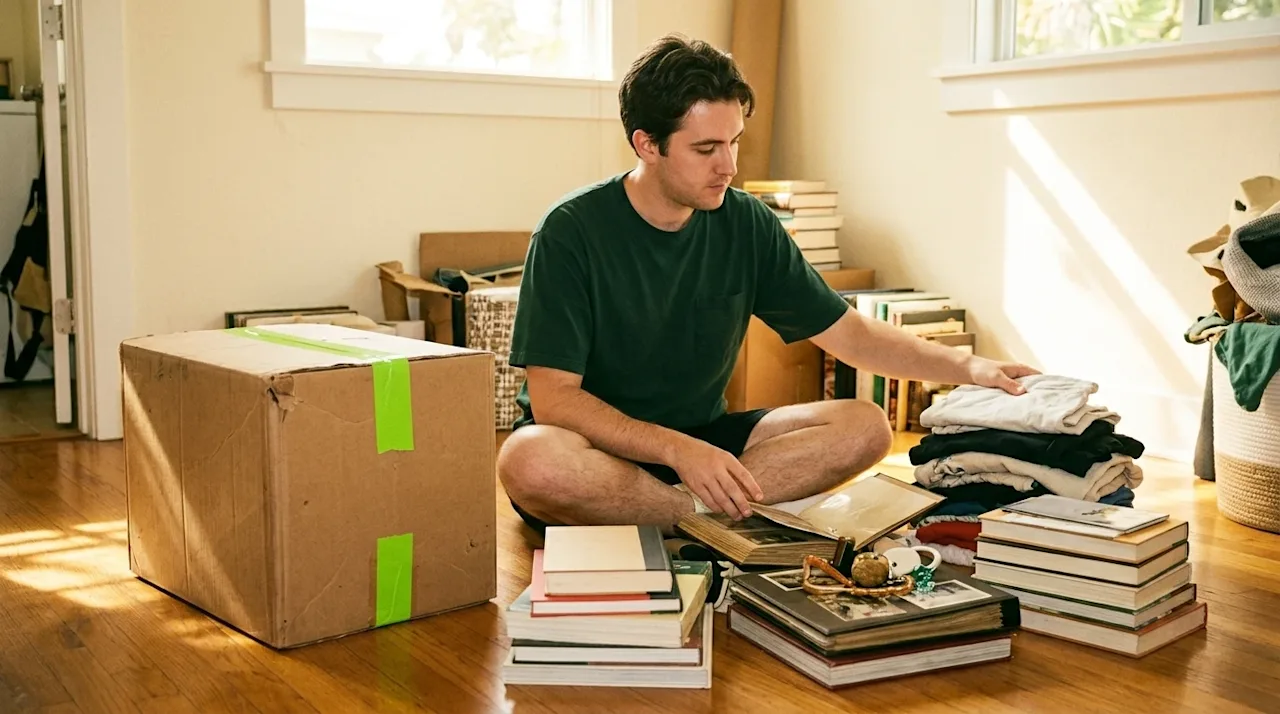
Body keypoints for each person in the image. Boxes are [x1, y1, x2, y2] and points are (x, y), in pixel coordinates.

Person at [497, 34, 1038, 537]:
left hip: (707, 443)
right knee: (529, 460)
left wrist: (969, 368)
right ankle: (703, 516)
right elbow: (555, 401)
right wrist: (675, 450)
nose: (728, 165)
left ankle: (677, 516)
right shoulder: (570, 231)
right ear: (647, 144)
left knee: (865, 425)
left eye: (734, 142)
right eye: (706, 149)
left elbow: (849, 334)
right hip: (596, 448)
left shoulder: (747, 222)